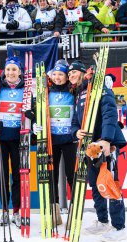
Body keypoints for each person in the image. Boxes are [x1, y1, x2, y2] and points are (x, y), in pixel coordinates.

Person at [69, 60, 127, 242]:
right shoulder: (79, 94)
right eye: (69, 74)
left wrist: (106, 140)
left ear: (84, 73)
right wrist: (75, 132)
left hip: (104, 144)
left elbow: (110, 113)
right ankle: (102, 220)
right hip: (89, 146)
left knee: (111, 183)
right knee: (95, 184)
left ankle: (119, 227)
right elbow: (76, 122)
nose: (71, 76)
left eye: (74, 73)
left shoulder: (100, 86)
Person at [0, 56, 33, 229]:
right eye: (9, 69)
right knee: (2, 175)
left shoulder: (27, 90)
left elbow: (33, 113)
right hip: (0, 138)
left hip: (19, 138)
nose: (11, 73)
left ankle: (17, 212)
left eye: (15, 69)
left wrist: (31, 120)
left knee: (19, 176)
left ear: (20, 72)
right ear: (4, 71)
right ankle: (5, 210)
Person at [46, 60, 77, 225]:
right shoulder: (46, 92)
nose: (57, 77)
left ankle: (74, 211)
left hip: (70, 140)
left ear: (67, 77)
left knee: (72, 175)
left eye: (61, 74)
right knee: (52, 175)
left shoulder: (73, 91)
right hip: (52, 139)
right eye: (55, 74)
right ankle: (54, 211)